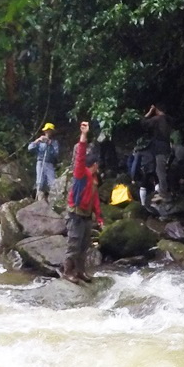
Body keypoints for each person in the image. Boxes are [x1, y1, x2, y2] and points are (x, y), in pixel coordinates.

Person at [63, 121, 104, 284]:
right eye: (98, 165)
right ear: (94, 165)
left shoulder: (94, 179)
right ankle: (67, 271)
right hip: (75, 214)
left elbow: (95, 200)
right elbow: (80, 156)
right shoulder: (81, 173)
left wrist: (99, 218)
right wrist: (84, 135)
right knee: (73, 244)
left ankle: (80, 271)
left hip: (86, 216)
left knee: (84, 245)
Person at [140, 104, 174, 203]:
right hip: (167, 147)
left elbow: (143, 123)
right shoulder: (168, 119)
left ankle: (164, 194)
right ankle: (166, 191)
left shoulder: (158, 119)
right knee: (164, 170)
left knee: (160, 171)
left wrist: (150, 111)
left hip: (160, 148)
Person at [27, 123, 60, 202]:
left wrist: (50, 144)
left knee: (52, 182)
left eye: (50, 131)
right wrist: (37, 141)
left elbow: (56, 154)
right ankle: (39, 201)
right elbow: (30, 148)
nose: (48, 132)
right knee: (40, 182)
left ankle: (54, 201)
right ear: (44, 131)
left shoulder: (54, 142)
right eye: (47, 131)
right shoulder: (40, 141)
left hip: (49, 163)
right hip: (40, 162)